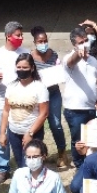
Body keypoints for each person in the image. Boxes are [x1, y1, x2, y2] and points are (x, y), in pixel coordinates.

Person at [0, 21, 29, 181]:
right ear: (8, 36)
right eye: (18, 35)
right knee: (2, 134)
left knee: (23, 133)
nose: (21, 38)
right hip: (2, 101)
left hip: (23, 101)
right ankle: (3, 168)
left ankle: (24, 165)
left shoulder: (25, 53)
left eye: (21, 35)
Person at [0, 53, 50, 178]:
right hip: (14, 131)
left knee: (31, 164)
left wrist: (30, 133)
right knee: (20, 163)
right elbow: (6, 110)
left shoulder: (40, 88)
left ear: (32, 68)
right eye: (19, 67)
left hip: (33, 132)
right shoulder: (11, 86)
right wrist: (2, 132)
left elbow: (44, 113)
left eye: (25, 68)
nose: (21, 70)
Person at [62, 26, 97, 168]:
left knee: (93, 139)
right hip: (75, 109)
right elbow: (71, 62)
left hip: (93, 108)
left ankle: (92, 164)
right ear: (74, 44)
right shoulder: (68, 59)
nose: (85, 43)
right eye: (81, 42)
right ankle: (79, 166)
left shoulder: (93, 60)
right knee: (78, 140)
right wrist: (78, 54)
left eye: (86, 40)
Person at [29, 26, 68, 166]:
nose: (43, 43)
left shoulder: (53, 54)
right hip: (37, 97)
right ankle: (38, 154)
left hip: (53, 94)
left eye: (45, 40)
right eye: (40, 41)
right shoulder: (30, 57)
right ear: (35, 42)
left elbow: (59, 72)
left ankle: (62, 153)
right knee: (36, 125)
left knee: (56, 124)